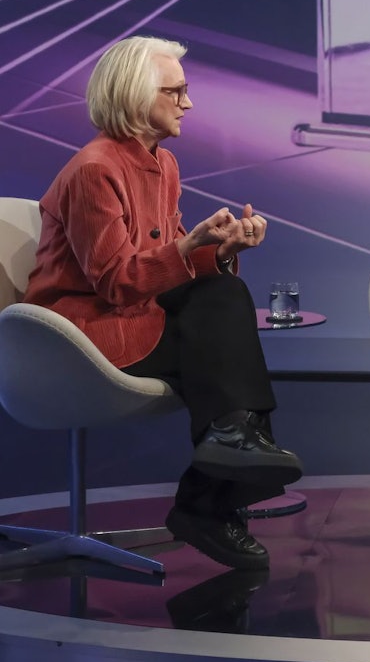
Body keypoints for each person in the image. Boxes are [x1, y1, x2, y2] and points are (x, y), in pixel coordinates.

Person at [22, 36, 303, 570]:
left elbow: (165, 270)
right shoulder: (93, 169)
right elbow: (113, 282)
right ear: (133, 95)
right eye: (175, 92)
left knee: (223, 289)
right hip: (79, 335)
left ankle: (230, 445)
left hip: (131, 312)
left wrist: (218, 249)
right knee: (217, 332)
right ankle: (212, 488)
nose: (188, 104)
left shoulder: (164, 164)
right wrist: (187, 245)